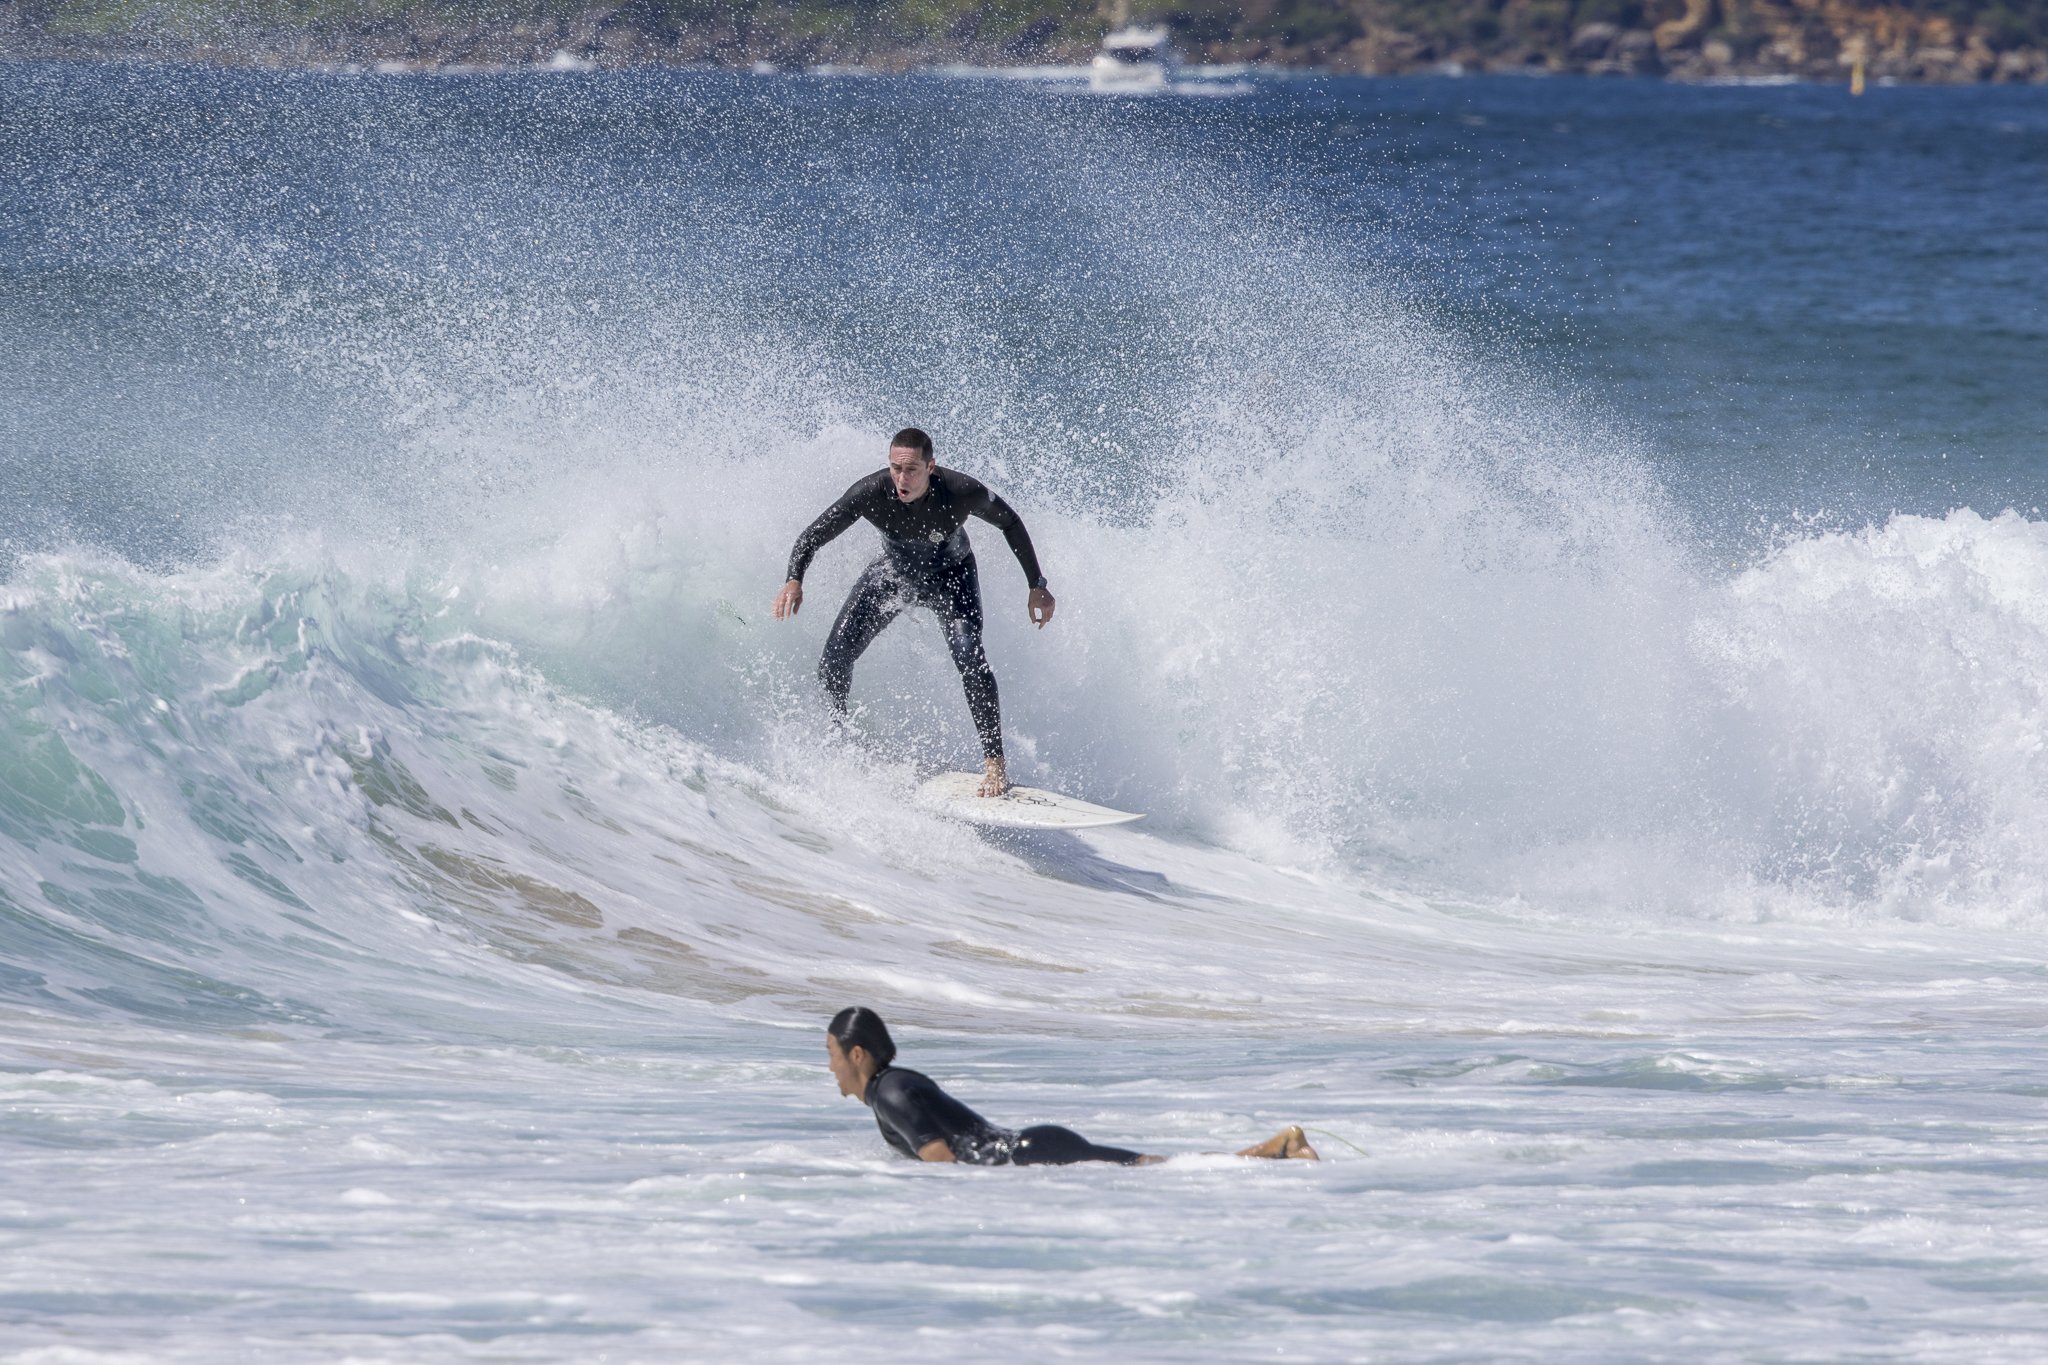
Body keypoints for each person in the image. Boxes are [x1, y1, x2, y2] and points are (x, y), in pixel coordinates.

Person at [773, 428, 1054, 798]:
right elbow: (813, 535)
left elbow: (1010, 522)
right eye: (895, 468)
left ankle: (995, 764)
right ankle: (837, 737)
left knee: (971, 660)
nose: (901, 479)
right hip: (894, 575)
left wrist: (1037, 583)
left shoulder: (960, 491)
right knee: (834, 658)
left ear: (931, 467)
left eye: (911, 470)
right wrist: (794, 579)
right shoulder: (870, 493)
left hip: (952, 577)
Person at [825, 1006, 1321, 1166]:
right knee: (1157, 1168)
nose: (830, 1068)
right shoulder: (894, 1086)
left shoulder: (889, 1092)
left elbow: (944, 1165)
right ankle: (1281, 1150)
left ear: (858, 1054)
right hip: (1034, 1147)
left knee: (1160, 1171)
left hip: (1028, 1155)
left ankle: (1278, 1151)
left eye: (831, 1054)